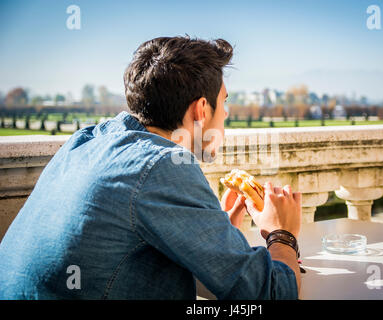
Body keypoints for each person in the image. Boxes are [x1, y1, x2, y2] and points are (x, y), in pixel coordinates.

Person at [0, 36, 302, 299]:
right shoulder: (163, 166)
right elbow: (272, 292)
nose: (225, 114)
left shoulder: (87, 140)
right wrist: (281, 233)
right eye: (224, 103)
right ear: (200, 110)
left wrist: (212, 233)